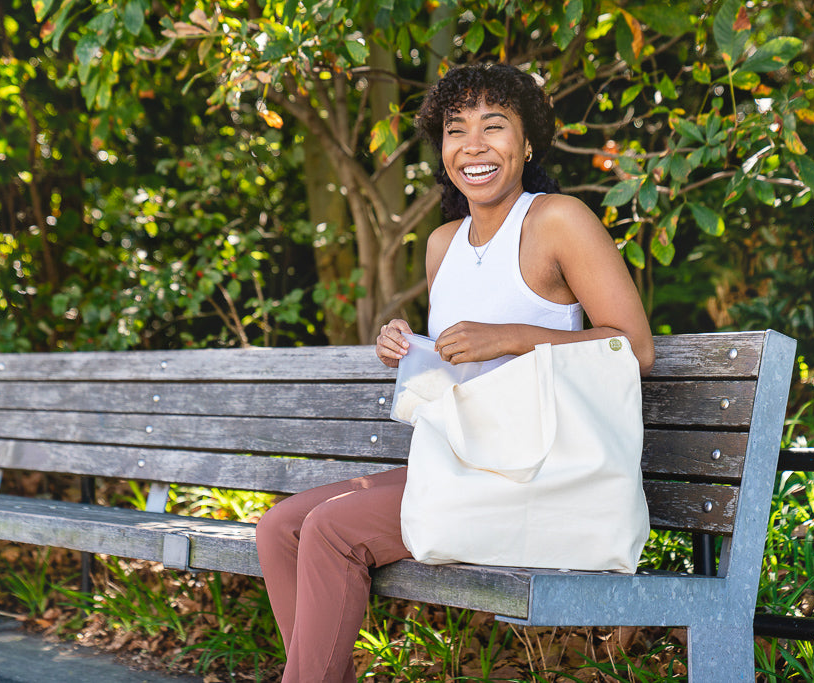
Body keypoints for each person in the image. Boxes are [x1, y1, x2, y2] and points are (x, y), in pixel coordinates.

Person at [255, 62, 655, 682]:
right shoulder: (443, 242)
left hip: (539, 471)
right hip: (466, 457)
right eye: (455, 129)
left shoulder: (557, 220)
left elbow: (635, 349)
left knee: (332, 529)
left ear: (526, 144)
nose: (473, 144)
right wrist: (407, 346)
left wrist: (514, 337)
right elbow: (453, 368)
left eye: (494, 126)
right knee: (280, 527)